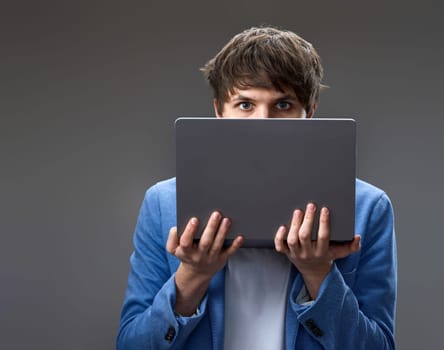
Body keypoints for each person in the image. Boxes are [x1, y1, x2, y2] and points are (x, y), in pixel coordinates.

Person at [117, 26, 397, 350]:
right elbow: (131, 345)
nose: (263, 121)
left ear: (311, 112)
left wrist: (319, 274)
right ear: (219, 110)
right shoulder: (163, 203)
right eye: (245, 105)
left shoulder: (367, 207)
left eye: (283, 105)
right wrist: (193, 275)